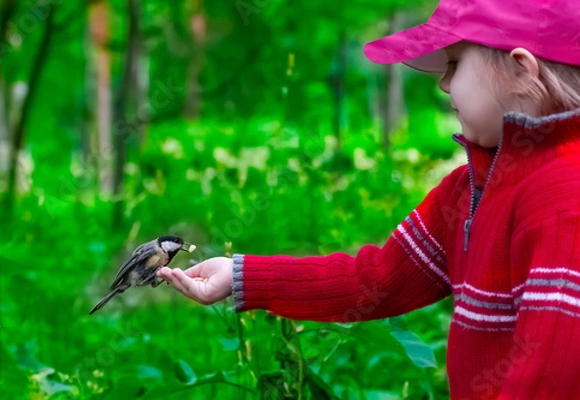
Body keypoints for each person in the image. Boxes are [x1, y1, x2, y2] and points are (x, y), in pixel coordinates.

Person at [158, 0, 580, 398]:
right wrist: (242, 275)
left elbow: (552, 376)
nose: (444, 81)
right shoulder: (468, 188)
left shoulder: (563, 201)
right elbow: (379, 280)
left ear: (522, 71)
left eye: (454, 63)